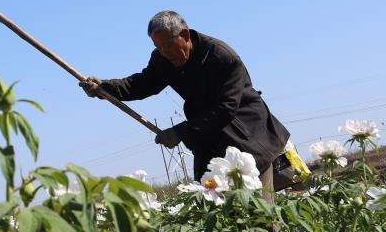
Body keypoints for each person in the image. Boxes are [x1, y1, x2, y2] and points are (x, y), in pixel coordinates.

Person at [81, 10, 290, 190]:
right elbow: (142, 84)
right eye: (158, 48)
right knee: (217, 218)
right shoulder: (164, 58)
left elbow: (225, 110)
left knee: (261, 218)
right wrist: (104, 88)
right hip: (209, 143)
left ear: (185, 35)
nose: (164, 53)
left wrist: (179, 132)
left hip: (248, 141)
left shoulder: (222, 57)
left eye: (168, 46)